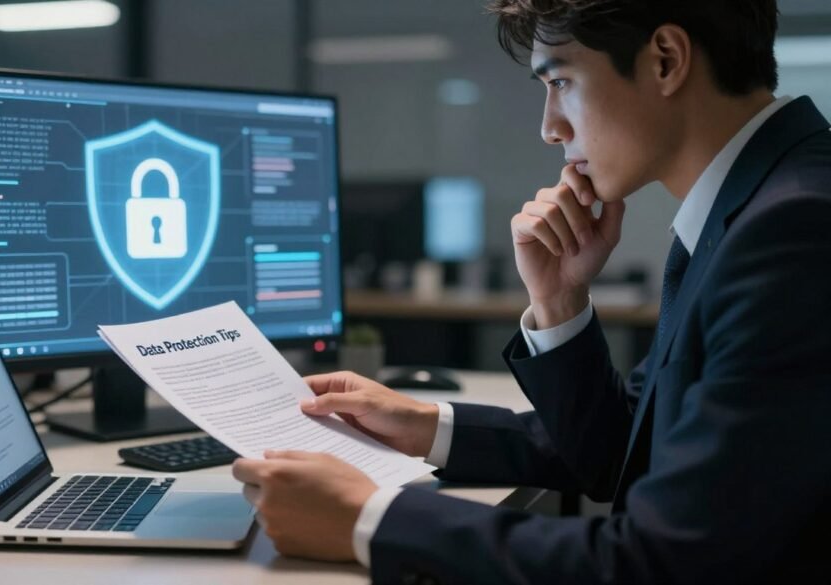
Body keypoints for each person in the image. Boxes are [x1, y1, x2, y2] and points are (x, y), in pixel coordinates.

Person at [233, 0, 831, 582]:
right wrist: (553, 304)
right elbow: (631, 445)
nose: (549, 128)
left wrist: (368, 519)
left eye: (561, 81)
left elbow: (667, 562)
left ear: (667, 60)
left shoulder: (793, 230)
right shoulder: (754, 205)